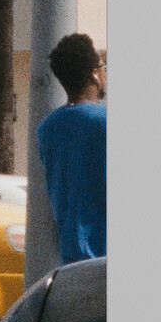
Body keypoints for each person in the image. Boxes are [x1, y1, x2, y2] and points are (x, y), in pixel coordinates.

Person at [35, 33, 107, 264]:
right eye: (102, 65)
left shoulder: (47, 129)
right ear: (94, 74)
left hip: (71, 261)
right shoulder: (106, 122)